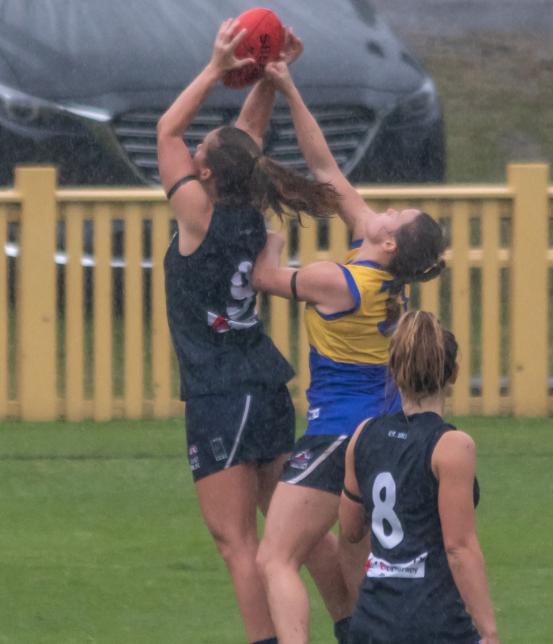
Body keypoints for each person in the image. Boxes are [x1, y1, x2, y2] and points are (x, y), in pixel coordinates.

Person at [156, 21, 348, 644]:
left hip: (222, 392)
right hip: (262, 386)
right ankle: (355, 627)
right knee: (292, 533)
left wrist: (216, 68)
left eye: (202, 152)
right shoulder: (245, 206)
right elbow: (246, 140)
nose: (194, 151)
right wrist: (267, 74)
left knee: (237, 543)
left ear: (205, 174)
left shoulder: (200, 218)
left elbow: (166, 131)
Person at [252, 61, 448, 644]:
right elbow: (325, 170)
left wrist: (268, 235)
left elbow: (263, 277)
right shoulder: (384, 272)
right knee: (353, 559)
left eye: (393, 215)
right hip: (382, 430)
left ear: (387, 241)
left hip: (338, 434)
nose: (383, 208)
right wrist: (288, 87)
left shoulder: (338, 281)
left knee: (276, 558)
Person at [340, 311, 500, 644]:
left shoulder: (362, 435)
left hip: (371, 620)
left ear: (394, 371)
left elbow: (350, 530)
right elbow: (459, 548)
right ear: (453, 373)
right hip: (433, 621)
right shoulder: (452, 447)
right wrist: (488, 630)